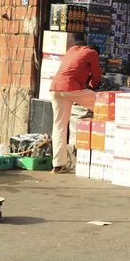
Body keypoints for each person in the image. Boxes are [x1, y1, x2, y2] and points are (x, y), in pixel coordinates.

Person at [49, 36, 101, 174]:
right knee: (104, 106)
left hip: (55, 87)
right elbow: (96, 77)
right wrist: (92, 86)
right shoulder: (92, 53)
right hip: (70, 88)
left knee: (59, 126)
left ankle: (58, 164)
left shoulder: (72, 49)